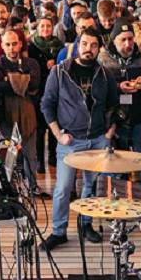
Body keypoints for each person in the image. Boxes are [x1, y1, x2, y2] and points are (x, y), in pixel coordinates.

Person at [40, 28, 118, 250]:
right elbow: (46, 105)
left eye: (94, 45)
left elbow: (114, 104)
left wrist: (110, 131)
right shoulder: (59, 72)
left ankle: (86, 224)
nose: (88, 49)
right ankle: (58, 231)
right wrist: (57, 134)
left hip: (97, 139)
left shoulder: (105, 74)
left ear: (99, 49)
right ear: (76, 45)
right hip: (70, 141)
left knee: (91, 186)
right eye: (84, 44)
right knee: (64, 187)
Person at [98, 18, 141, 183]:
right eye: (123, 39)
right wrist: (118, 87)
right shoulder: (103, 58)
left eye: (130, 39)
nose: (127, 44)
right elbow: (98, 88)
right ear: (114, 40)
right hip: (113, 118)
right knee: (116, 162)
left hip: (139, 114)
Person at [0, 30, 42, 174]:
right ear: (2, 46)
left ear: (20, 45)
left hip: (28, 115)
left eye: (14, 44)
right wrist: (24, 78)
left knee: (30, 155)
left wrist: (9, 78)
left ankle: (32, 188)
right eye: (8, 44)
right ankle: (11, 191)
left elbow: (35, 83)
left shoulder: (32, 62)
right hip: (5, 116)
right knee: (10, 157)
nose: (11, 48)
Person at [28, 16, 63, 172]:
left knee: (55, 124)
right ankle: (40, 161)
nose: (45, 29)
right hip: (38, 91)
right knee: (40, 129)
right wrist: (44, 65)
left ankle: (53, 157)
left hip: (56, 90)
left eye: (48, 26)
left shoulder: (59, 46)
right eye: (42, 26)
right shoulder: (32, 46)